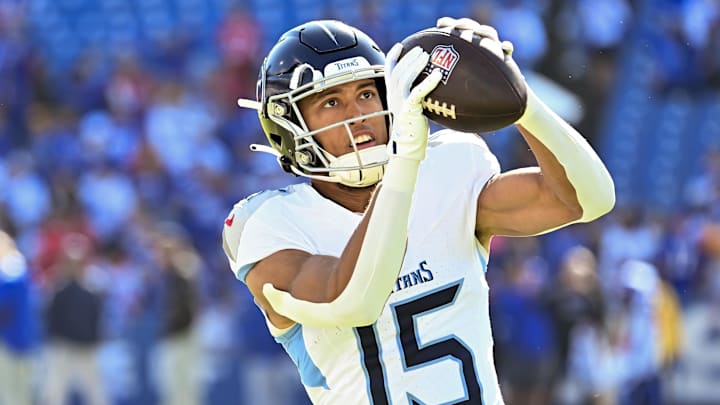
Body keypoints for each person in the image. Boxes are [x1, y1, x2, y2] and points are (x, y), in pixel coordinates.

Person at [222, 17, 615, 404]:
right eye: (331, 102)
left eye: (366, 94)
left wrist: (522, 101)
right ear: (288, 125)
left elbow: (588, 198)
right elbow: (353, 300)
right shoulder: (268, 225)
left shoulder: (446, 166)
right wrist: (404, 162)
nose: (357, 115)